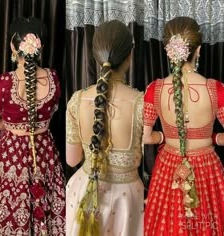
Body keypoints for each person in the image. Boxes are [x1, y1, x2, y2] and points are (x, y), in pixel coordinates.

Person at [143, 16, 224, 235]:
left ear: (169, 50)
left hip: (168, 167)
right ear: (198, 50)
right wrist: (214, 138)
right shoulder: (215, 89)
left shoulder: (155, 89)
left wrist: (163, 137)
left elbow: (145, 137)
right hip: (206, 168)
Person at [65, 20, 144, 236]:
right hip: (126, 198)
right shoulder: (141, 103)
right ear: (129, 56)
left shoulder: (76, 100)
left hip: (84, 193)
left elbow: (72, 160)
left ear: (96, 56)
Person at [0, 17, 66, 235]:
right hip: (44, 150)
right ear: (39, 46)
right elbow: (53, 112)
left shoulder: (4, 81)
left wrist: (12, 126)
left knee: (9, 202)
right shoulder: (53, 77)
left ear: (13, 46)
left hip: (11, 153)